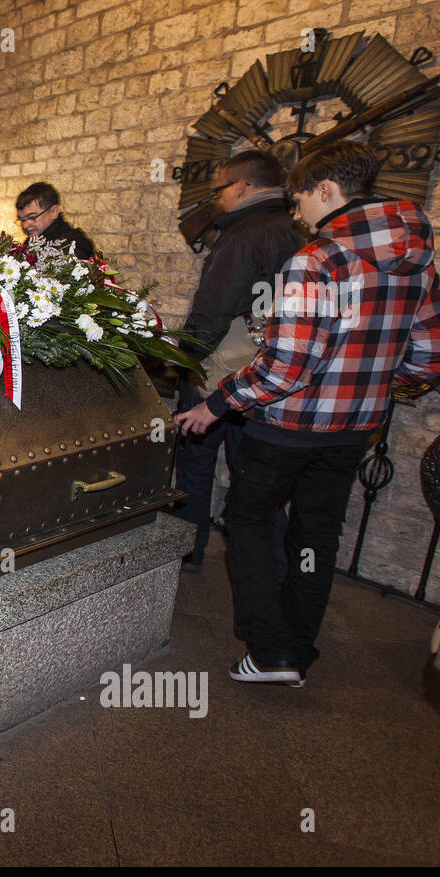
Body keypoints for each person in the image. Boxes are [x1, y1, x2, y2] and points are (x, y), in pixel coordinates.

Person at [175, 142, 440, 686]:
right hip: (354, 430)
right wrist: (371, 384)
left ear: (326, 191)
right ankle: (295, 649)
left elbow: (285, 369)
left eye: (300, 199)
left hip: (287, 427)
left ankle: (270, 649)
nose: (296, 212)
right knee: (314, 536)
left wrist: (216, 403)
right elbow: (435, 353)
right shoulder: (415, 263)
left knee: (248, 520)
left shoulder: (317, 259)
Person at [174, 151, 304, 571]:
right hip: (274, 376)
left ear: (240, 186)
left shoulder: (242, 235)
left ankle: (188, 551)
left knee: (195, 465)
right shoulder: (302, 233)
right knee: (257, 482)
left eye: (220, 189)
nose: (219, 199)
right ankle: (275, 570)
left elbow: (213, 311)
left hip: (220, 374)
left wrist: (183, 358)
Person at [15, 182, 95, 259]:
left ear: (53, 211)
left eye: (32, 217)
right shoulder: (30, 242)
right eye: (22, 220)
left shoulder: (72, 245)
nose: (25, 225)